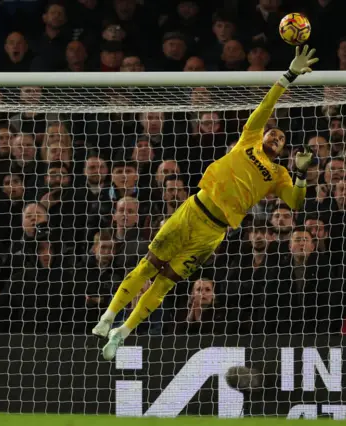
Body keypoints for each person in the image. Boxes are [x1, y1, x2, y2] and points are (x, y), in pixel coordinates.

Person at [92, 46, 319, 360]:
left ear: (282, 151)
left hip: (213, 233)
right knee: (148, 266)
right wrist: (289, 75)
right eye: (273, 133)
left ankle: (123, 332)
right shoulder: (249, 139)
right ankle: (108, 316)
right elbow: (266, 106)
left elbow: (296, 201)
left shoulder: (280, 174)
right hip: (193, 209)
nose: (274, 137)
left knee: (166, 284)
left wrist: (303, 174)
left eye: (280, 139)